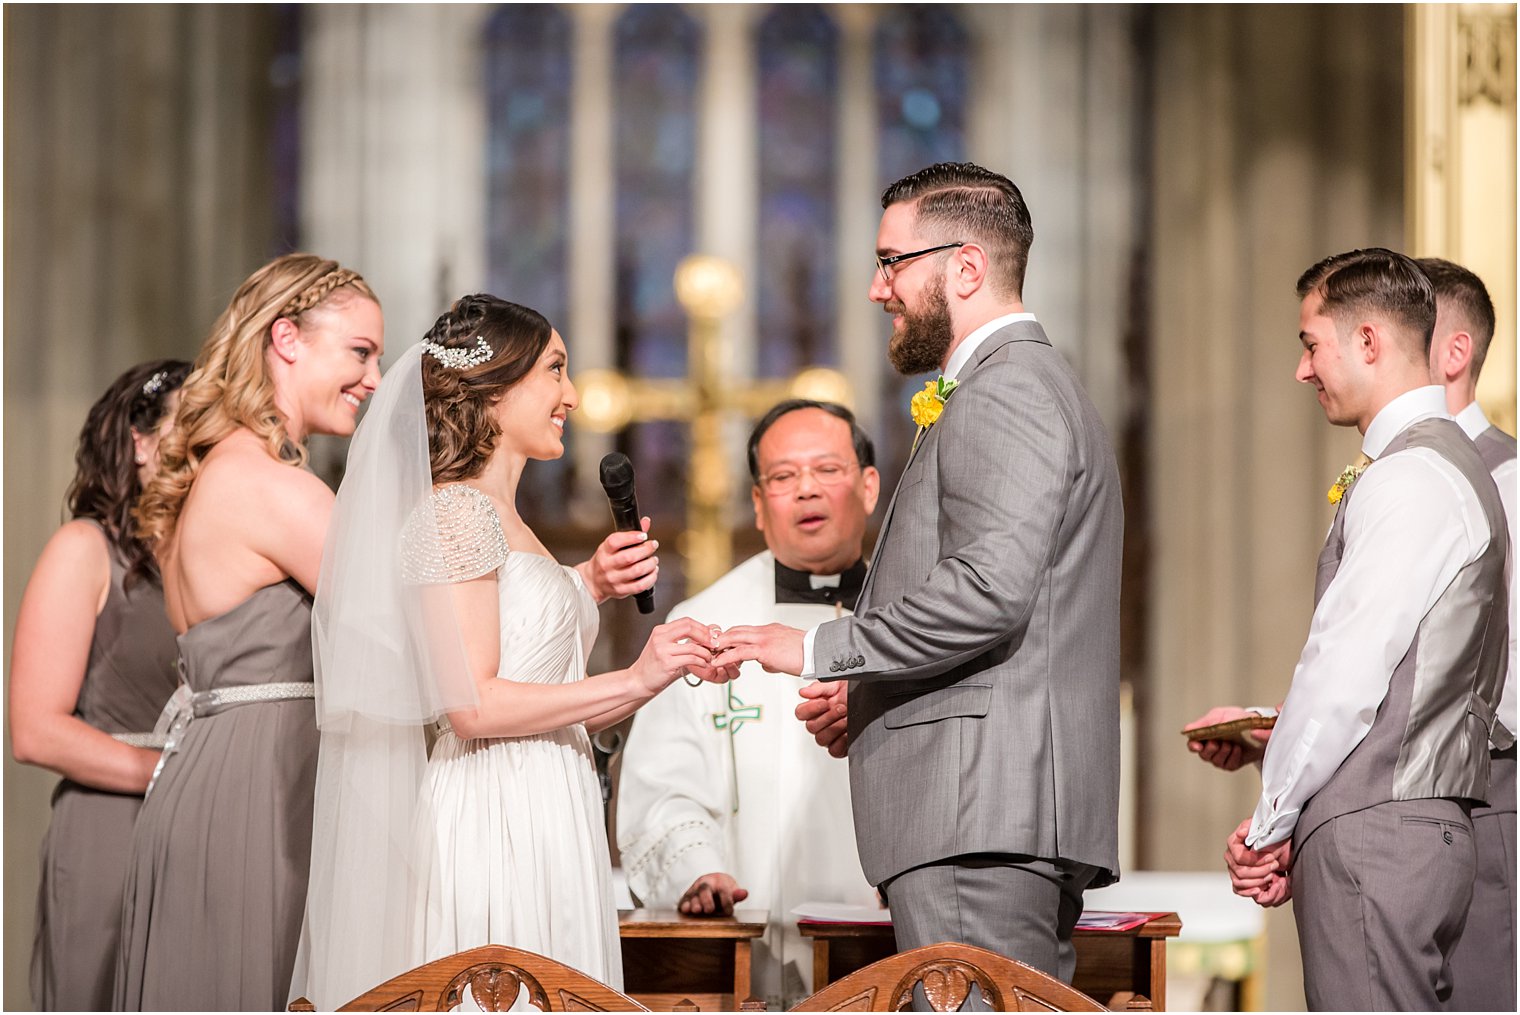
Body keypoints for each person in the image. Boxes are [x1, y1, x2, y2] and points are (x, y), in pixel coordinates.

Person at [716, 162, 1123, 987]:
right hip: (988, 812)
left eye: (892, 261)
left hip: (979, 820)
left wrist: (825, 650)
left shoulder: (1007, 391)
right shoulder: (1014, 386)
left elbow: (989, 592)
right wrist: (868, 696)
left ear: (965, 267)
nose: (877, 288)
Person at [293, 294, 730, 1010]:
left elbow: (519, 646)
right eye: (555, 370)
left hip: (547, 796)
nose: (573, 395)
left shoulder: (502, 516)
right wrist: (637, 677)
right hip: (495, 809)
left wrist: (586, 583)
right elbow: (473, 703)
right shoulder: (457, 510)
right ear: (495, 389)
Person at [1223, 249, 1507, 1011]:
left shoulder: (1412, 475)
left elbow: (1343, 669)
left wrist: (1269, 819)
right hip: (1419, 825)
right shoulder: (1451, 466)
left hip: (1382, 832)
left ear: (1370, 341)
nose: (1303, 369)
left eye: (1311, 343)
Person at [115, 254, 385, 1011]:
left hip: (218, 771)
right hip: (263, 791)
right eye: (359, 352)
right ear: (288, 338)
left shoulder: (214, 473)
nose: (372, 378)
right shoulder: (275, 489)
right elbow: (409, 634)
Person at [617, 399, 883, 1007]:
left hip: (888, 936)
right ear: (760, 506)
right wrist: (697, 871)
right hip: (748, 941)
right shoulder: (705, 623)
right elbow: (664, 786)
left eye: (827, 470)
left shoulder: (919, 619)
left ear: (868, 487)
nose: (806, 492)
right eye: (784, 478)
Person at [10, 359, 189, 1011]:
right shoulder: (85, 549)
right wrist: (171, 773)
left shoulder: (207, 556)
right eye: (186, 431)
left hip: (197, 827)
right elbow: (34, 730)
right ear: (139, 442)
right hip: (111, 825)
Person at [1421, 257, 1515, 1012]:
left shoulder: (1509, 481)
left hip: (1493, 805)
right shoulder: (1394, 475)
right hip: (1414, 815)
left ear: (1454, 354)